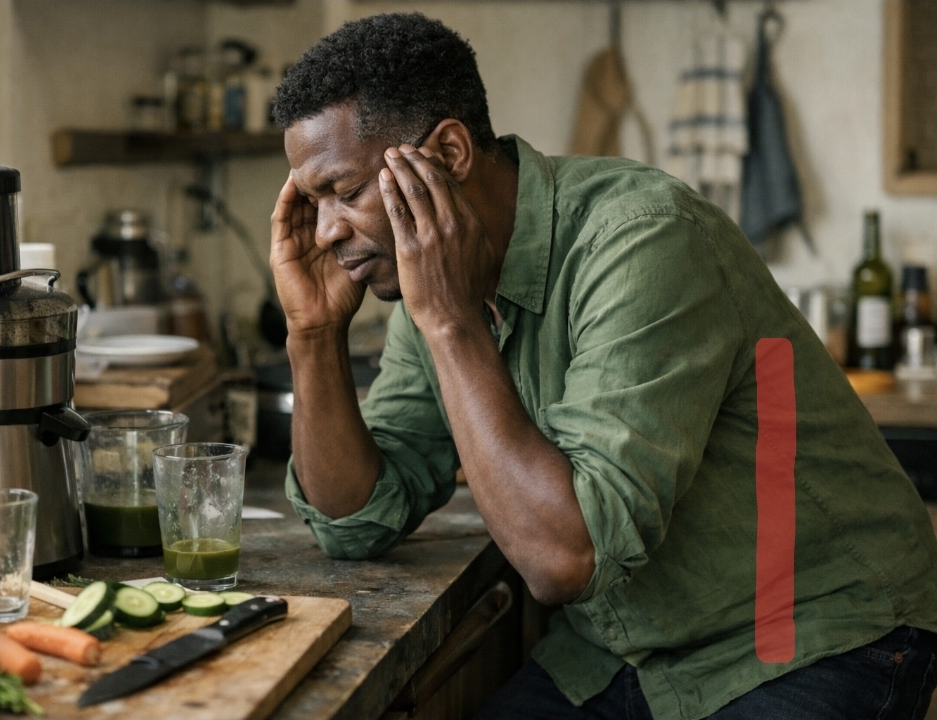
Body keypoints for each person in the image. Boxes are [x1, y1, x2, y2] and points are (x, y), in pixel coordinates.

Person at [268, 12, 937, 720]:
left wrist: (452, 323)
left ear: (451, 153)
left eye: (344, 192)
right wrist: (312, 335)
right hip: (623, 656)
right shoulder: (434, 287)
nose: (327, 231)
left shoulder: (643, 238)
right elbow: (356, 522)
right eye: (312, 204)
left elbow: (564, 558)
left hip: (805, 637)